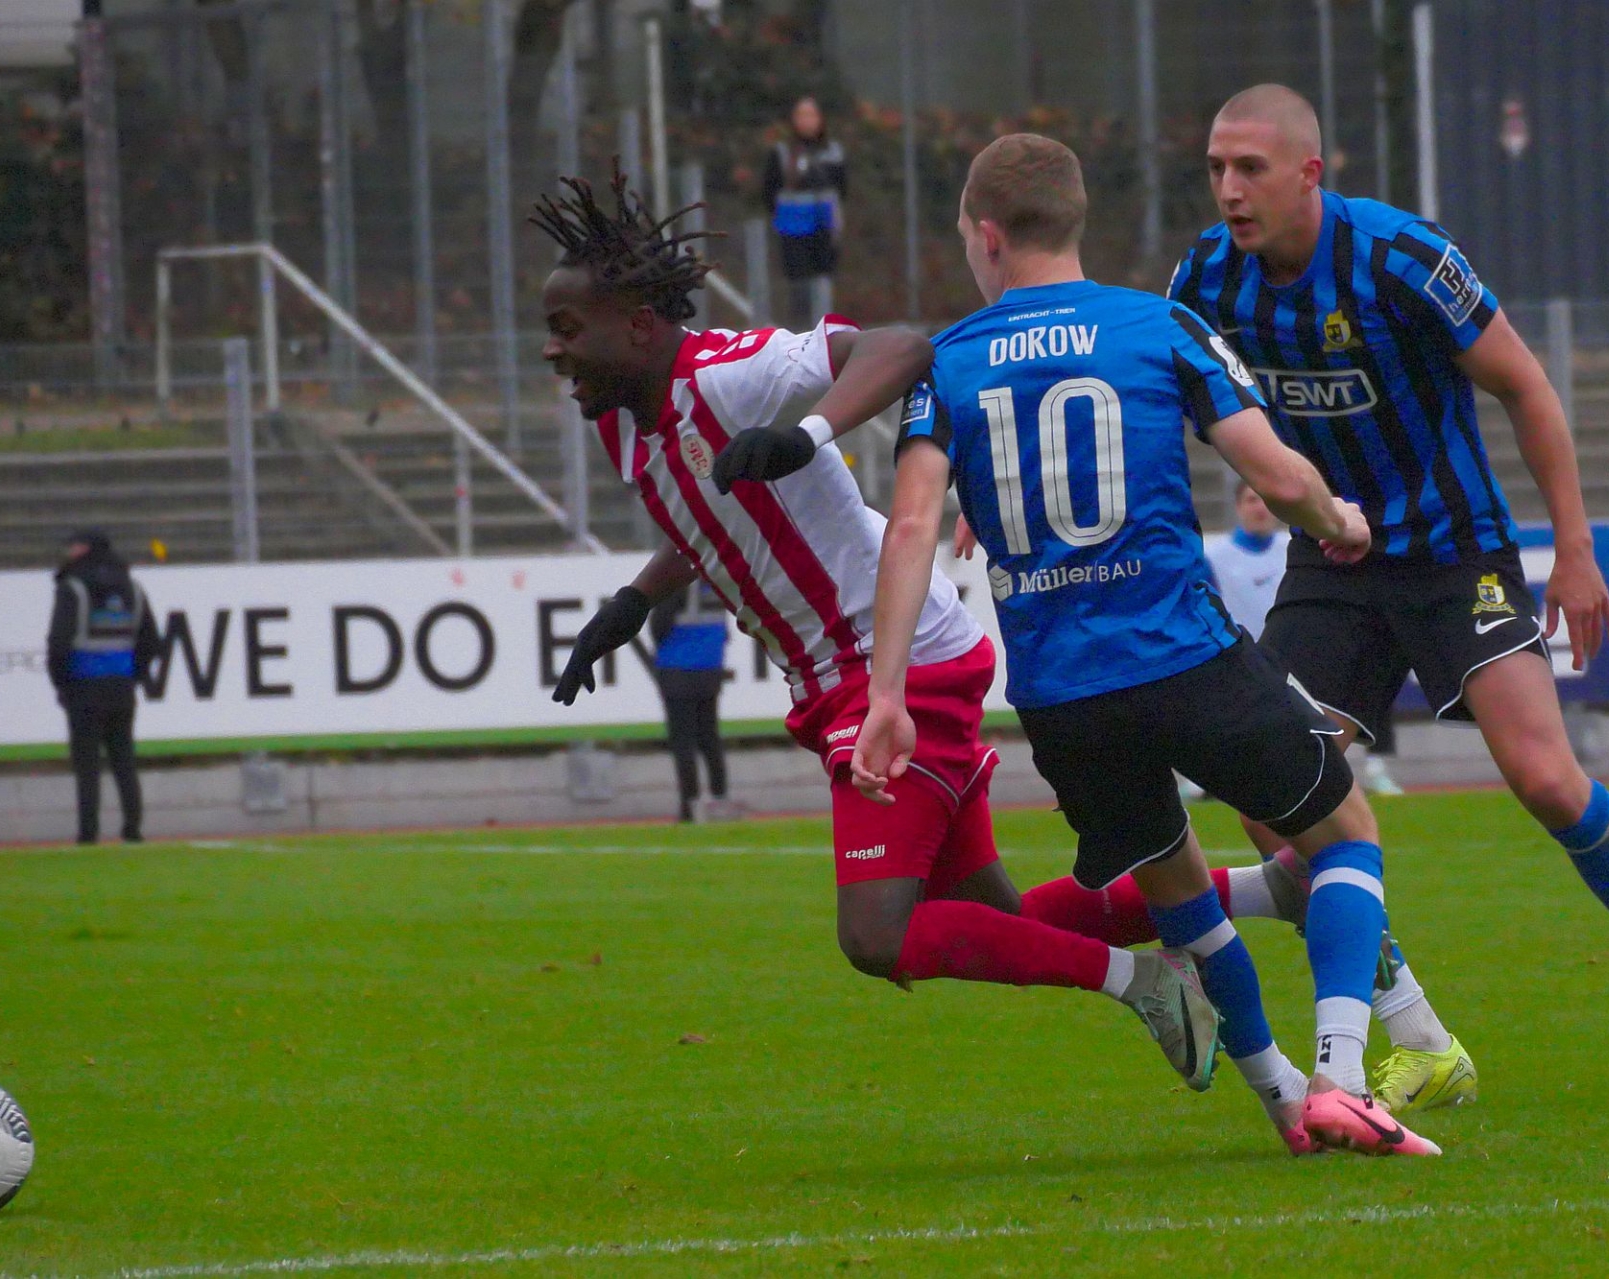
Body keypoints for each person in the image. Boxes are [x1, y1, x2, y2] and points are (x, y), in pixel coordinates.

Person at [531, 166, 1224, 1094]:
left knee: (877, 934)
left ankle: (1146, 982)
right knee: (1002, 919)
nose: (553, 349)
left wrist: (808, 432)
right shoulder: (622, 421)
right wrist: (633, 600)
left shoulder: (730, 374)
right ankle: (1274, 886)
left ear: (641, 326)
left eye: (568, 327)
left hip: (887, 664)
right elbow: (712, 514)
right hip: (843, 675)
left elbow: (900, 346)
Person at [1170, 83, 1609, 1099]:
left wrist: (1573, 548)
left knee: (1545, 778)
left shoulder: (1400, 257)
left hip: (1459, 553)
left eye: (1250, 169)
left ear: (1310, 172)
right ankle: (1422, 1036)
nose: (1229, 189)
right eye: (1217, 169)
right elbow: (1164, 395)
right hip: (1334, 557)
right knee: (1277, 796)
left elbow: (1525, 383)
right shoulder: (1206, 278)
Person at [843, 133, 1439, 1155]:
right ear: (1071, 221)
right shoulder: (1160, 325)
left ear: (987, 237)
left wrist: (885, 693)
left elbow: (908, 530)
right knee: (1343, 833)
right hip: (1183, 654)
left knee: (1178, 896)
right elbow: (1275, 473)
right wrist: (1339, 520)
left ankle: (1283, 1103)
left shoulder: (951, 361)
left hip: (1063, 695)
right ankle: (1341, 1074)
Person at [1205, 480, 1403, 796]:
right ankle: (1213, 780)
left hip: (1294, 646)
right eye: (1251, 500)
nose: (1259, 508)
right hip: (1244, 653)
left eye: (1263, 499)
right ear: (1238, 507)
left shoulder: (1297, 547)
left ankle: (1374, 767)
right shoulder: (1215, 556)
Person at [46, 529, 162, 845]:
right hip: (121, 687)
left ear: (84, 549)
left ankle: (88, 832)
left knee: (87, 764)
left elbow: (58, 643)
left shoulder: (72, 587)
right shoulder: (132, 587)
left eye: (73, 546)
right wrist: (134, 676)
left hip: (83, 686)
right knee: (124, 759)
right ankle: (132, 828)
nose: (69, 552)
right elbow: (151, 641)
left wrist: (61, 684)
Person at [649, 579, 733, 823]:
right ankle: (719, 799)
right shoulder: (715, 581)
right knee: (709, 737)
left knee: (683, 740)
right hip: (711, 666)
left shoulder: (677, 581)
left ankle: (690, 805)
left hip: (677, 666)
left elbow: (659, 624)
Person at [762, 96, 845, 329]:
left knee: (824, 283)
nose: (807, 121)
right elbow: (769, 191)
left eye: (811, 115)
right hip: (793, 229)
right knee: (798, 288)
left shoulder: (833, 152)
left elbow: (841, 189)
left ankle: (826, 330)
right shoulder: (782, 153)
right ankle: (800, 331)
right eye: (802, 115)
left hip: (825, 227)